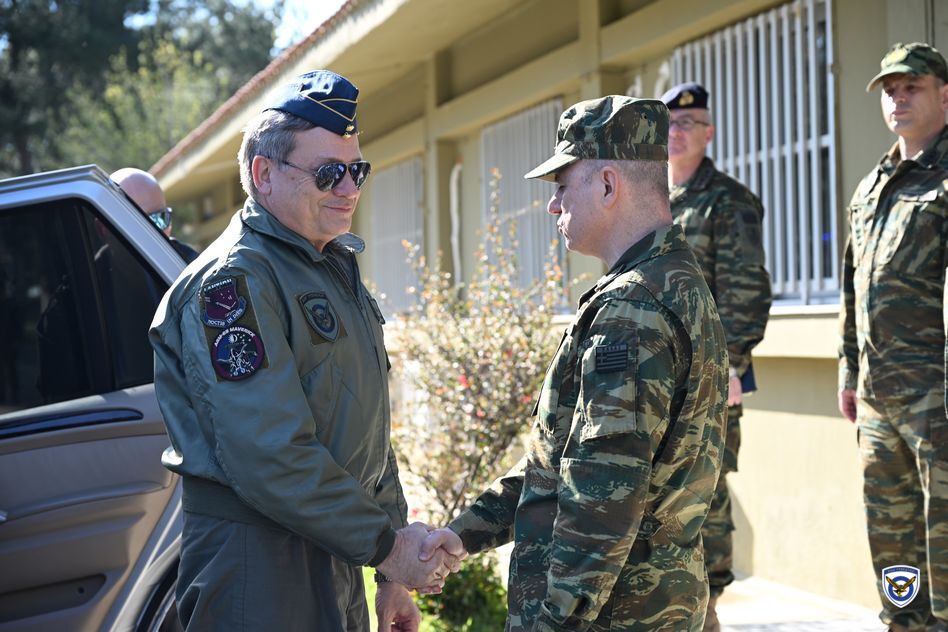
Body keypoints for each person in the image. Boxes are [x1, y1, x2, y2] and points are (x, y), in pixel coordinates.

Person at [149, 70, 463, 632]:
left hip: (334, 548)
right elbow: (269, 452)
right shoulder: (235, 283)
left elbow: (364, 427)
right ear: (263, 174)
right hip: (259, 565)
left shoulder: (327, 265)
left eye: (356, 170)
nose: (349, 189)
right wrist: (385, 546)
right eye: (328, 173)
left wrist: (388, 570)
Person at [425, 95, 729, 631]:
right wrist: (467, 531)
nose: (552, 205)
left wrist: (556, 621)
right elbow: (569, 458)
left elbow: (603, 499)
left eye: (563, 186)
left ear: (608, 185)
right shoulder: (671, 281)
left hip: (614, 616)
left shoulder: (633, 309)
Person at [838, 42, 948, 632]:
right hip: (880, 397)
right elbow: (854, 287)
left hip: (938, 395)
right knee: (891, 535)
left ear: (944, 95)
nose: (898, 99)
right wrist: (849, 373)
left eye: (913, 88)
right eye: (890, 90)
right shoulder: (872, 186)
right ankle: (904, 625)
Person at [660, 81, 772, 631]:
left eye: (688, 124)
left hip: (711, 378)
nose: (676, 133)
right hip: (662, 381)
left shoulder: (729, 201)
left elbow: (746, 290)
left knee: (705, 497)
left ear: (709, 132)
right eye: (670, 125)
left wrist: (731, 363)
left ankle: (708, 611)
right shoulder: (654, 198)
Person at [111, 167, 200, 263]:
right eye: (137, 223)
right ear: (104, 229)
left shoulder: (189, 263)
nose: (152, 232)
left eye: (160, 218)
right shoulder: (96, 270)